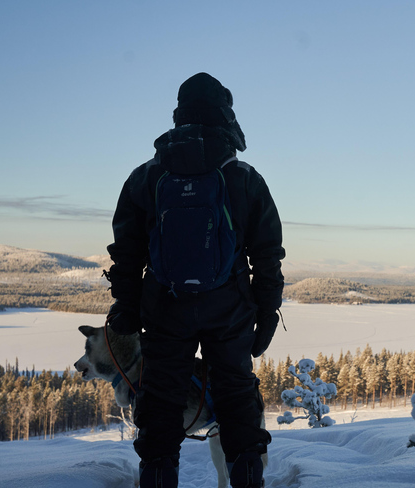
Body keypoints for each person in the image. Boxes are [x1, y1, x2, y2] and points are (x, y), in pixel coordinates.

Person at [104, 72, 284, 488]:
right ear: (225, 115)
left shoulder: (146, 177)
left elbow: (126, 252)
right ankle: (247, 478)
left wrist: (128, 305)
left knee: (162, 396)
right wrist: (267, 308)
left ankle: (157, 477)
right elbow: (267, 253)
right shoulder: (245, 178)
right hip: (230, 306)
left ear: (179, 115)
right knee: (236, 393)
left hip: (165, 306)